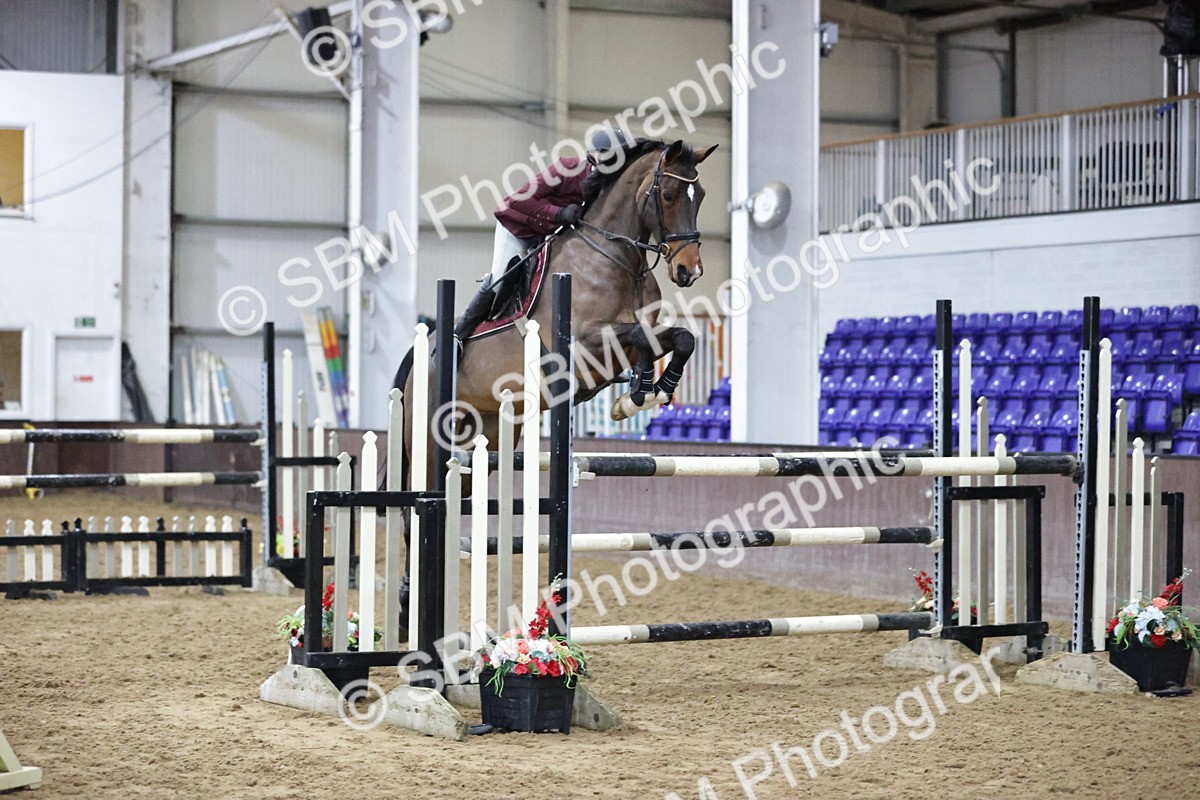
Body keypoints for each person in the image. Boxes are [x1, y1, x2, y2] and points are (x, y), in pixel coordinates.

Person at [488, 127, 633, 287]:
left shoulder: (613, 185)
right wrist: (560, 213)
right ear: (595, 156)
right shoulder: (567, 168)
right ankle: (473, 313)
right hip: (519, 229)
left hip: (554, 236)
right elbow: (517, 200)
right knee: (498, 282)